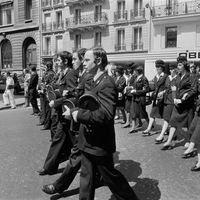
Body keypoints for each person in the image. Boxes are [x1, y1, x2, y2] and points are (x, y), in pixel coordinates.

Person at [62, 47, 139, 200]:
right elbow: (89, 105)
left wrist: (77, 114)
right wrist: (74, 110)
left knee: (111, 177)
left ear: (98, 61)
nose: (83, 63)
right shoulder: (92, 80)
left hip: (100, 143)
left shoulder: (107, 83)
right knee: (86, 177)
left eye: (87, 60)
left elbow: (106, 114)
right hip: (88, 139)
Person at [37, 51, 78, 176]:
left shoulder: (70, 73)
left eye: (59, 60)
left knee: (77, 144)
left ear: (65, 61)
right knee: (58, 140)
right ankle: (50, 167)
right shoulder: (62, 73)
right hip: (62, 114)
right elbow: (61, 90)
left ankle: (95, 169)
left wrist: (56, 102)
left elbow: (73, 94)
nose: (56, 62)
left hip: (68, 113)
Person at [161, 56, 197, 150]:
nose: (178, 66)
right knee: (173, 121)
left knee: (189, 124)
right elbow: (174, 88)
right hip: (177, 103)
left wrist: (183, 98)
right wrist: (174, 99)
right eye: (178, 65)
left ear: (185, 65)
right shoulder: (178, 76)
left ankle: (189, 141)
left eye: (180, 65)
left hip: (187, 104)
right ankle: (169, 141)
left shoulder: (191, 76)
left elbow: (194, 90)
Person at [142, 60, 168, 135]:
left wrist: (162, 92)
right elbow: (153, 86)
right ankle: (149, 128)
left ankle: (165, 129)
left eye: (159, 68)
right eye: (157, 68)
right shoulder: (156, 77)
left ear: (162, 68)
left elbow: (168, 87)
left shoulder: (166, 76)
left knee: (164, 115)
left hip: (163, 99)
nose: (157, 69)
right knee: (153, 113)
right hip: (156, 98)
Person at [155, 64, 178, 144]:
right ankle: (169, 135)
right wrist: (162, 92)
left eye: (173, 69)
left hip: (173, 101)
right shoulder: (168, 77)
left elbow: (176, 90)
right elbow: (166, 88)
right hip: (166, 100)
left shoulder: (177, 78)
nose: (171, 71)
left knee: (169, 119)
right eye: (170, 70)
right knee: (167, 118)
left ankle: (163, 135)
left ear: (176, 70)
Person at [129, 65, 150, 133]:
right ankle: (133, 127)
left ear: (138, 71)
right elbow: (135, 86)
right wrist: (132, 88)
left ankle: (149, 123)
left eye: (135, 71)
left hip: (141, 98)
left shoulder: (144, 78)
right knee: (133, 112)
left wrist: (136, 91)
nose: (134, 72)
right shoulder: (136, 78)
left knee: (143, 113)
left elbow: (146, 89)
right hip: (135, 98)